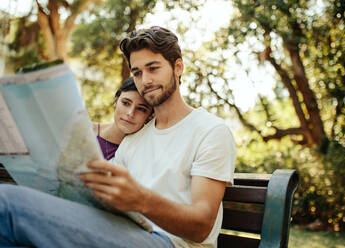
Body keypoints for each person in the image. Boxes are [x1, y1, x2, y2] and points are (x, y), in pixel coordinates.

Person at [0, 26, 236, 248]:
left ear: (178, 67)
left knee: (6, 203)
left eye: (153, 68)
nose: (145, 80)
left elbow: (201, 226)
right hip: (122, 232)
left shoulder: (210, 131)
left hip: (169, 243)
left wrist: (141, 199)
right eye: (137, 72)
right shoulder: (135, 137)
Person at [93, 77, 153, 160]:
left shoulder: (143, 153)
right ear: (115, 102)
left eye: (141, 109)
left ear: (150, 116)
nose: (130, 113)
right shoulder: (87, 131)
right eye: (125, 103)